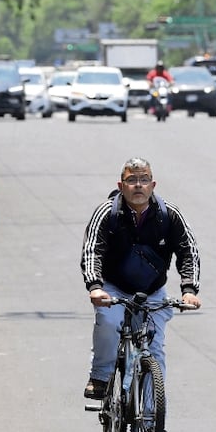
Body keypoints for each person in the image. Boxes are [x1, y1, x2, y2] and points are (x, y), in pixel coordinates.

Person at [80, 157, 201, 410]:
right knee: (109, 321)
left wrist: (189, 290)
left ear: (153, 185)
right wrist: (95, 286)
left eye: (143, 180)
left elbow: (188, 250)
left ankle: (149, 418)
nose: (138, 185)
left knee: (154, 351)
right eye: (131, 180)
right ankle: (101, 378)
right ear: (121, 185)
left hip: (152, 292)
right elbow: (92, 251)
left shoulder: (169, 214)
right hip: (113, 288)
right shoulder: (106, 213)